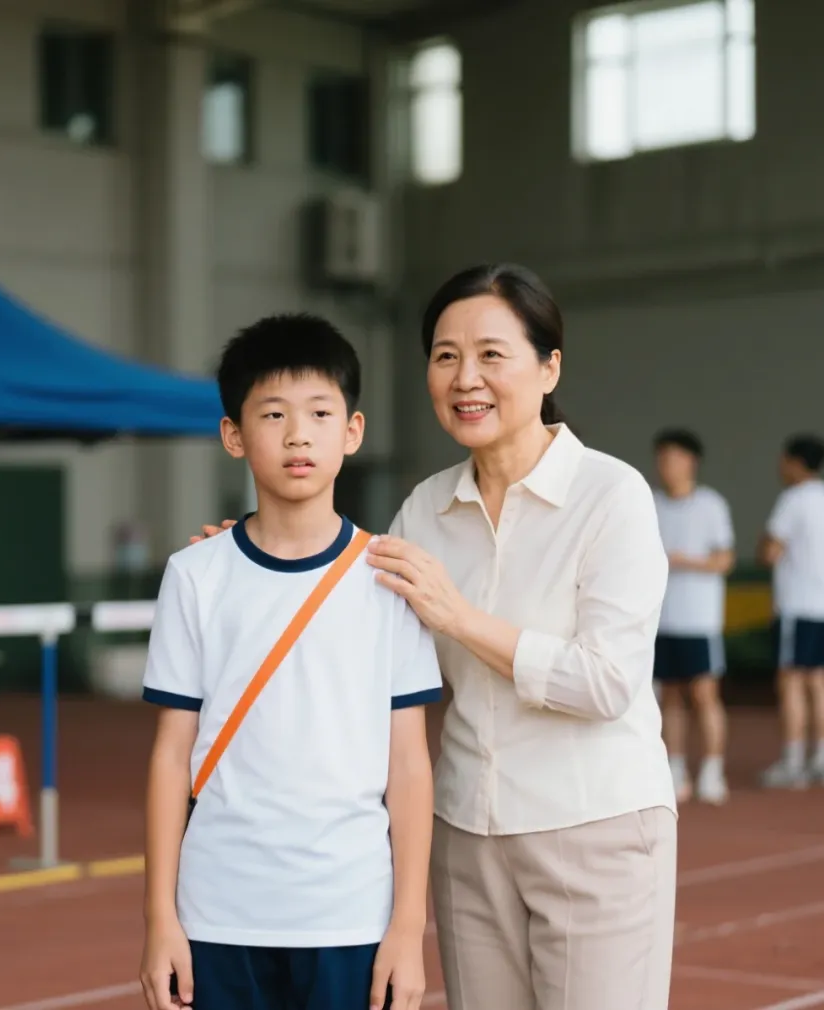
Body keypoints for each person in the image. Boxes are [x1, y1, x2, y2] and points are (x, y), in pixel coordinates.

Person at [194, 264, 678, 1010]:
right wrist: (258, 551)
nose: (465, 377)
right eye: (445, 355)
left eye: (491, 354)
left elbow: (607, 682)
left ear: (549, 367)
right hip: (466, 836)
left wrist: (458, 617)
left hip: (596, 829)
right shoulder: (426, 510)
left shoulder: (610, 496)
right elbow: (345, 608)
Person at [139, 313, 443, 1010]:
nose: (298, 434)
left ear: (353, 431)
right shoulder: (194, 576)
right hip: (216, 913)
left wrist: (407, 927)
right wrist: (160, 919)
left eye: (319, 413)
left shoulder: (390, 578)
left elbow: (409, 766)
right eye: (273, 414)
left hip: (351, 916)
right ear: (234, 436)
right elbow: (168, 757)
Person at [651, 428, 735, 805]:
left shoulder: (711, 505)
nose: (666, 465)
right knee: (669, 695)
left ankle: (713, 770)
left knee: (704, 694)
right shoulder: (649, 502)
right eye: (662, 457)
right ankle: (676, 768)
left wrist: (687, 561)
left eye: (674, 457)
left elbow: (725, 559)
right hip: (660, 619)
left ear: (691, 461)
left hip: (699, 620)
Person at [757, 434, 824, 788]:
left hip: (798, 606)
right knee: (818, 682)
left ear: (797, 462)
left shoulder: (793, 499)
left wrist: (763, 545)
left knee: (792, 682)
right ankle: (820, 756)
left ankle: (793, 761)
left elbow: (769, 553)